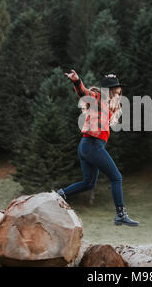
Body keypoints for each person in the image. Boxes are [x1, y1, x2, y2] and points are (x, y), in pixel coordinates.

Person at [56, 69, 139, 227]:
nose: (120, 90)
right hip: (91, 145)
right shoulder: (97, 97)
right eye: (117, 88)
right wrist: (76, 80)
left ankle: (60, 195)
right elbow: (83, 92)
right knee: (116, 178)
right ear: (111, 90)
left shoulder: (109, 105)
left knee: (88, 183)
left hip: (86, 146)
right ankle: (120, 214)